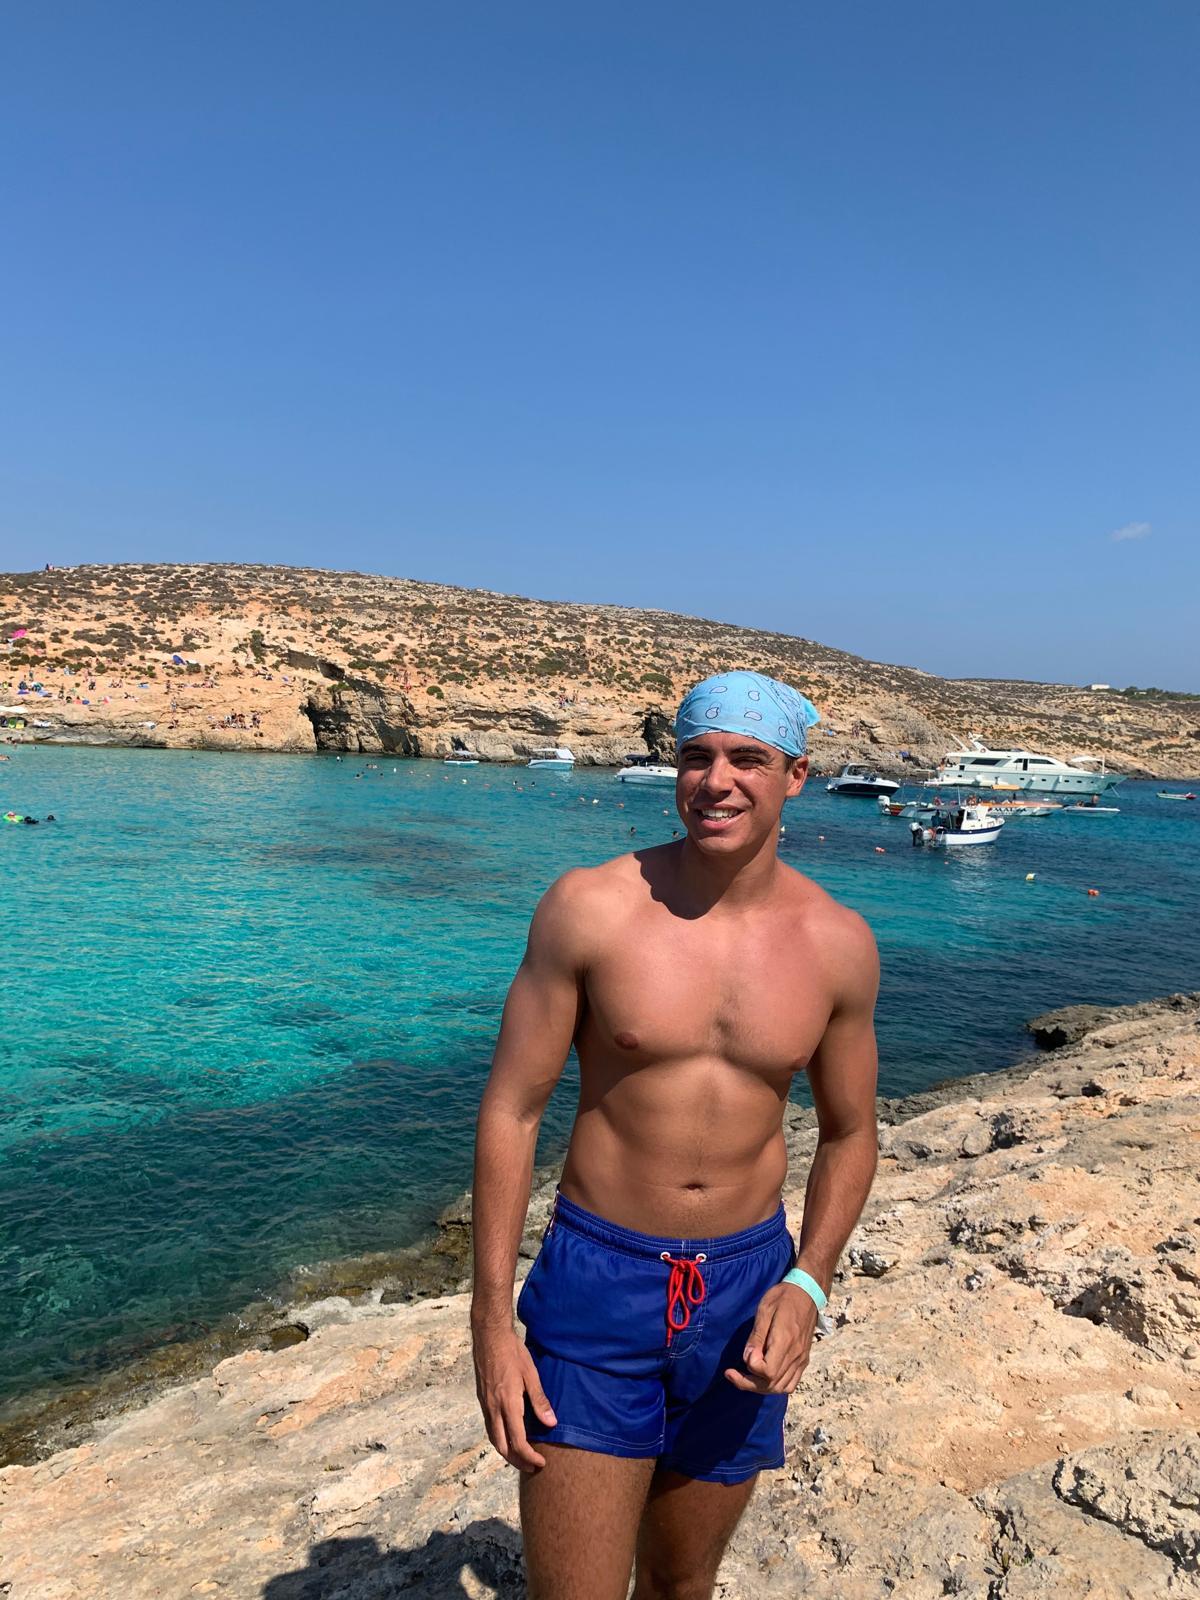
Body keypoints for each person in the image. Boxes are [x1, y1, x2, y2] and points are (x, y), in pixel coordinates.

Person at [471, 670, 880, 1600]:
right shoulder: (590, 908)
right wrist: (491, 1322)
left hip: (745, 1289)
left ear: (797, 776)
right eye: (697, 756)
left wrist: (809, 1282)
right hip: (599, 1282)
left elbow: (853, 1132)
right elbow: (511, 1110)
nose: (716, 781)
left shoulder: (838, 944)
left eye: (748, 759)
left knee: (681, 1583)